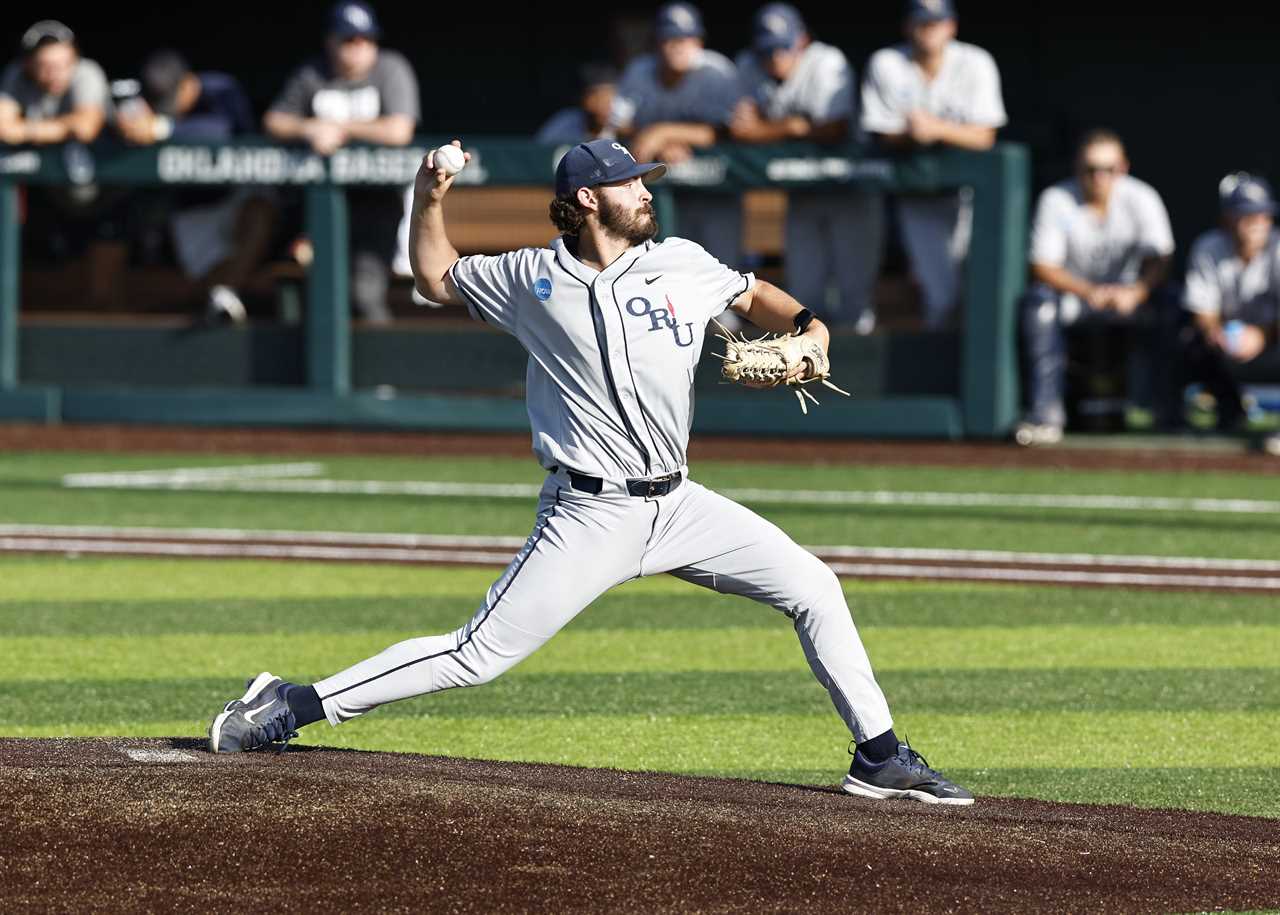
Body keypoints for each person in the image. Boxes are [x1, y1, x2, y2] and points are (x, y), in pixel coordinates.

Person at [207, 137, 975, 807]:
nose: (647, 190)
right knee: (476, 655)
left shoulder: (680, 262)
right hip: (589, 515)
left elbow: (754, 293)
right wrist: (427, 197)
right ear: (588, 198)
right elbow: (436, 275)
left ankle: (879, 755)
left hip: (680, 505)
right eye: (632, 182)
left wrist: (813, 329)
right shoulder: (530, 279)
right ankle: (288, 703)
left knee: (815, 587)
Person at [264, 0, 420, 323]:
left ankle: (381, 370)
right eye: (349, 40)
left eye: (366, 40)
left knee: (363, 292)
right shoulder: (313, 73)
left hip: (379, 202)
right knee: (309, 292)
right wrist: (307, 127)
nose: (359, 48)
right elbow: (273, 121)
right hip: (319, 204)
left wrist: (340, 129)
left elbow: (399, 130)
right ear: (330, 41)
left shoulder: (390, 68)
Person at [1016, 129, 1173, 445]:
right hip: (1075, 298)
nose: (1099, 177)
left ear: (1123, 168)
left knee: (1172, 305)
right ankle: (1046, 415)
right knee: (1038, 304)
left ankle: (1167, 413)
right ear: (1077, 168)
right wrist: (1089, 291)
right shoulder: (1057, 199)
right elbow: (1043, 266)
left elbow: (1162, 258)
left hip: (1129, 299)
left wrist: (1137, 291)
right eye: (1091, 169)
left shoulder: (1142, 197)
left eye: (1109, 169)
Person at [732, 3, 881, 333]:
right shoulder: (748, 64)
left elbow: (834, 128)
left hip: (849, 189)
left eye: (783, 48)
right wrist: (797, 126)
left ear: (802, 41)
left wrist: (770, 129)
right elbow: (740, 131)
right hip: (801, 194)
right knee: (803, 297)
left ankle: (858, 376)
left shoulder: (826, 62)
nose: (775, 58)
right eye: (767, 51)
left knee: (854, 301)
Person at [860, 0, 1006, 330]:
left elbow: (986, 136)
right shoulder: (887, 63)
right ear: (907, 26)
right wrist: (910, 134)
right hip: (918, 195)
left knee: (977, 289)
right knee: (941, 298)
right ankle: (944, 375)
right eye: (922, 21)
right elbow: (880, 133)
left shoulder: (975, 62)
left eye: (936, 22)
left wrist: (937, 129)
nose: (929, 28)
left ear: (951, 26)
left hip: (968, 198)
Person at [116, 50, 276, 324]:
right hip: (191, 208)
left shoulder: (221, 90)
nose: (166, 108)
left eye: (170, 100)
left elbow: (221, 133)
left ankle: (227, 292)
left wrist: (161, 130)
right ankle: (226, 294)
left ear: (189, 84)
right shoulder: (140, 101)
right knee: (199, 285)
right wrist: (125, 125)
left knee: (261, 209)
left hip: (234, 195)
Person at [608, 2, 746, 273]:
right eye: (669, 38)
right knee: (667, 272)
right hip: (661, 191)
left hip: (718, 189)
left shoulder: (717, 71)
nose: (677, 46)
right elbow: (619, 126)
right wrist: (659, 139)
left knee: (723, 275)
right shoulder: (639, 71)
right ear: (656, 43)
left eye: (685, 38)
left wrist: (662, 133)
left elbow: (731, 130)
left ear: (699, 41)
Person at [0, 20, 124, 306]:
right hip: (52, 197)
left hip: (104, 193)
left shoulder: (87, 73)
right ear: (28, 63)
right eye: (45, 65)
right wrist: (56, 129)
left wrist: (28, 130)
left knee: (104, 292)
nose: (54, 73)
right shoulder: (16, 76)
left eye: (62, 64)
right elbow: (4, 127)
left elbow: (86, 127)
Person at [1174, 172, 1280, 450]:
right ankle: (1225, 411)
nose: (1256, 222)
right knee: (1187, 337)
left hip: (1272, 341)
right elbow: (1202, 310)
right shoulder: (1208, 247)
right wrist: (1215, 332)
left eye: (1262, 214)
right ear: (1227, 219)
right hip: (1228, 345)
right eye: (1246, 214)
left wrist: (1263, 335)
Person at [536, 63, 618, 146]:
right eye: (597, 97)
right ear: (583, 98)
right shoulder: (565, 122)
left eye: (608, 98)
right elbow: (539, 150)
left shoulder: (623, 127)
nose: (602, 105)